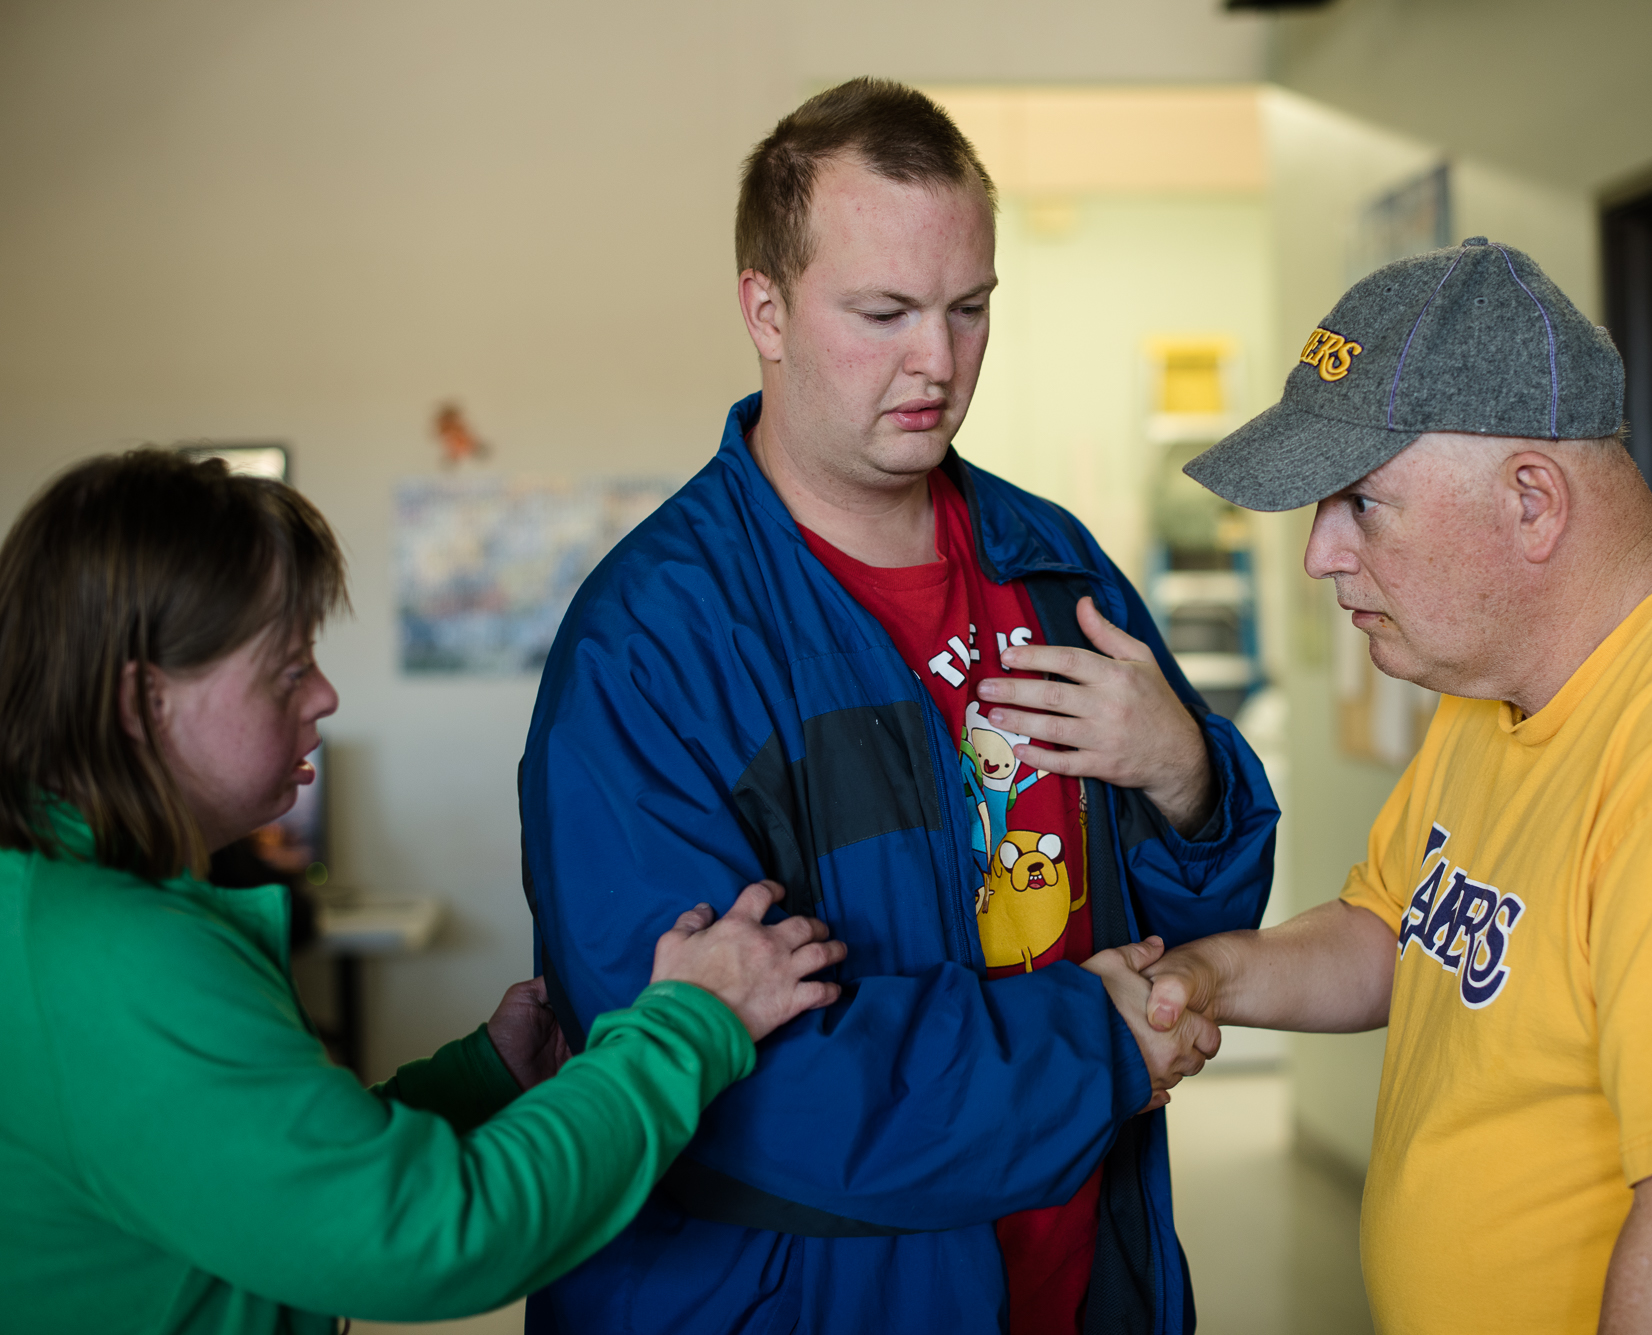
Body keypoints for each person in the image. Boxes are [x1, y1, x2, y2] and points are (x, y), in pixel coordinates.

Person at [519, 78, 1278, 1334]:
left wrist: (1187, 779)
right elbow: (732, 1090)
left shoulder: (1055, 568)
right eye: (883, 313)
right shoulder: (651, 642)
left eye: (968, 310)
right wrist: (1092, 1047)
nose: (938, 361)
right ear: (763, 309)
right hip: (798, 1298)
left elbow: (1191, 941)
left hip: (1080, 1269)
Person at [1142, 237, 1652, 1334]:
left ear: (1532, 501)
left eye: (1360, 504)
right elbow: (1396, 932)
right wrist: (1206, 977)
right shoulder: (1495, 684)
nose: (1319, 553)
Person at [0, 450, 846, 1334]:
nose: (324, 695)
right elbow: (424, 1234)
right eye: (287, 671)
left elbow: (261, 1173)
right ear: (142, 703)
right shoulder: (114, 958)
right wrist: (691, 1022)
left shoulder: (60, 911)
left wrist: (484, 1076)